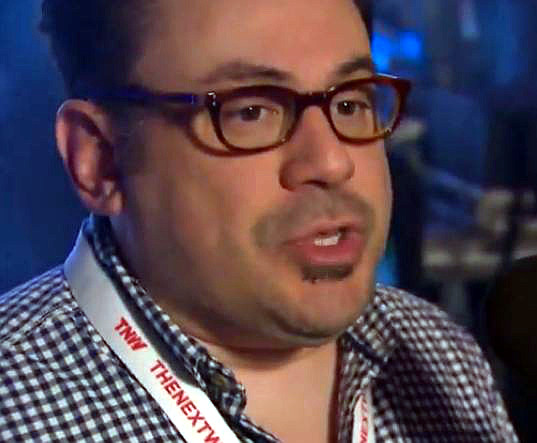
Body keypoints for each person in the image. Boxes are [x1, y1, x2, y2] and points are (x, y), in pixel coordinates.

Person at [0, 0, 518, 441]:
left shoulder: (438, 354)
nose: (332, 161)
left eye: (350, 102)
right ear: (100, 159)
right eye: (249, 111)